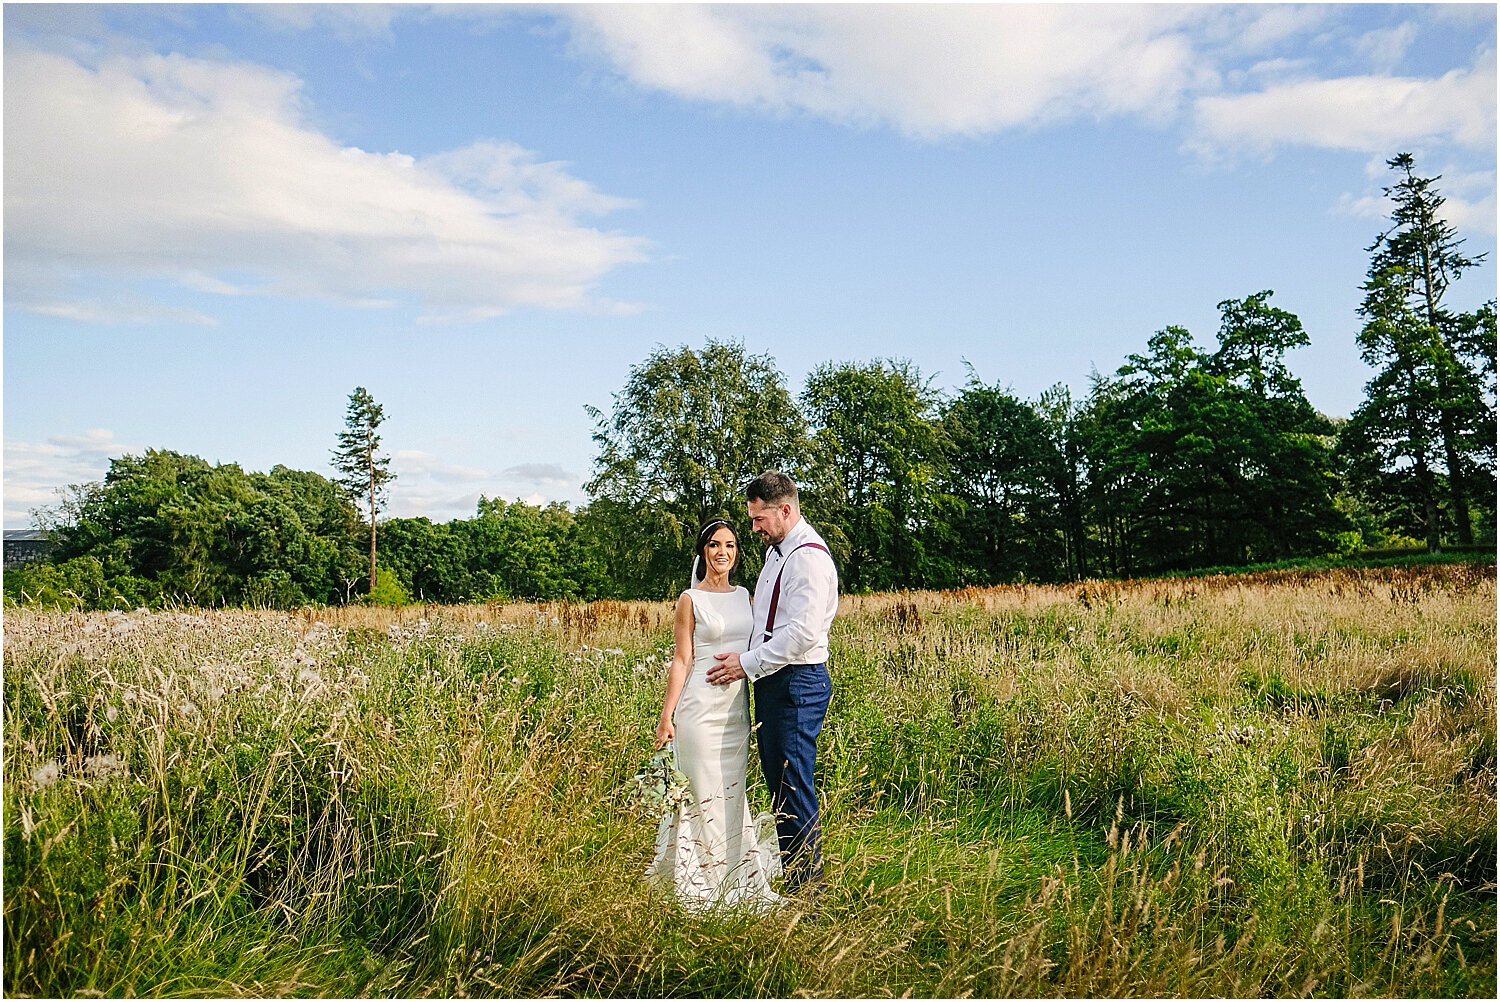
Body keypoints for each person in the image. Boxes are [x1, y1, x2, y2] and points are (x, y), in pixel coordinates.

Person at [707, 471, 838, 896]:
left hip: (796, 684)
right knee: (781, 787)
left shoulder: (808, 559)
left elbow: (800, 635)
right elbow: (765, 622)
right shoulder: (776, 553)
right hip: (776, 682)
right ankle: (796, 878)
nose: (753, 528)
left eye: (759, 518)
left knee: (792, 786)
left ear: (785, 510)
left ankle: (808, 896)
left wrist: (745, 664)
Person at [646, 519, 783, 913]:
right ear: (703, 551)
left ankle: (733, 872)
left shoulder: (745, 595)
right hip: (699, 711)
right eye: (714, 545)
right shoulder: (691, 599)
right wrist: (666, 717)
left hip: (735, 713)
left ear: (736, 552)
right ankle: (697, 876)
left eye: (730, 545)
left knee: (732, 791)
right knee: (701, 792)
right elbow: (682, 659)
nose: (722, 552)